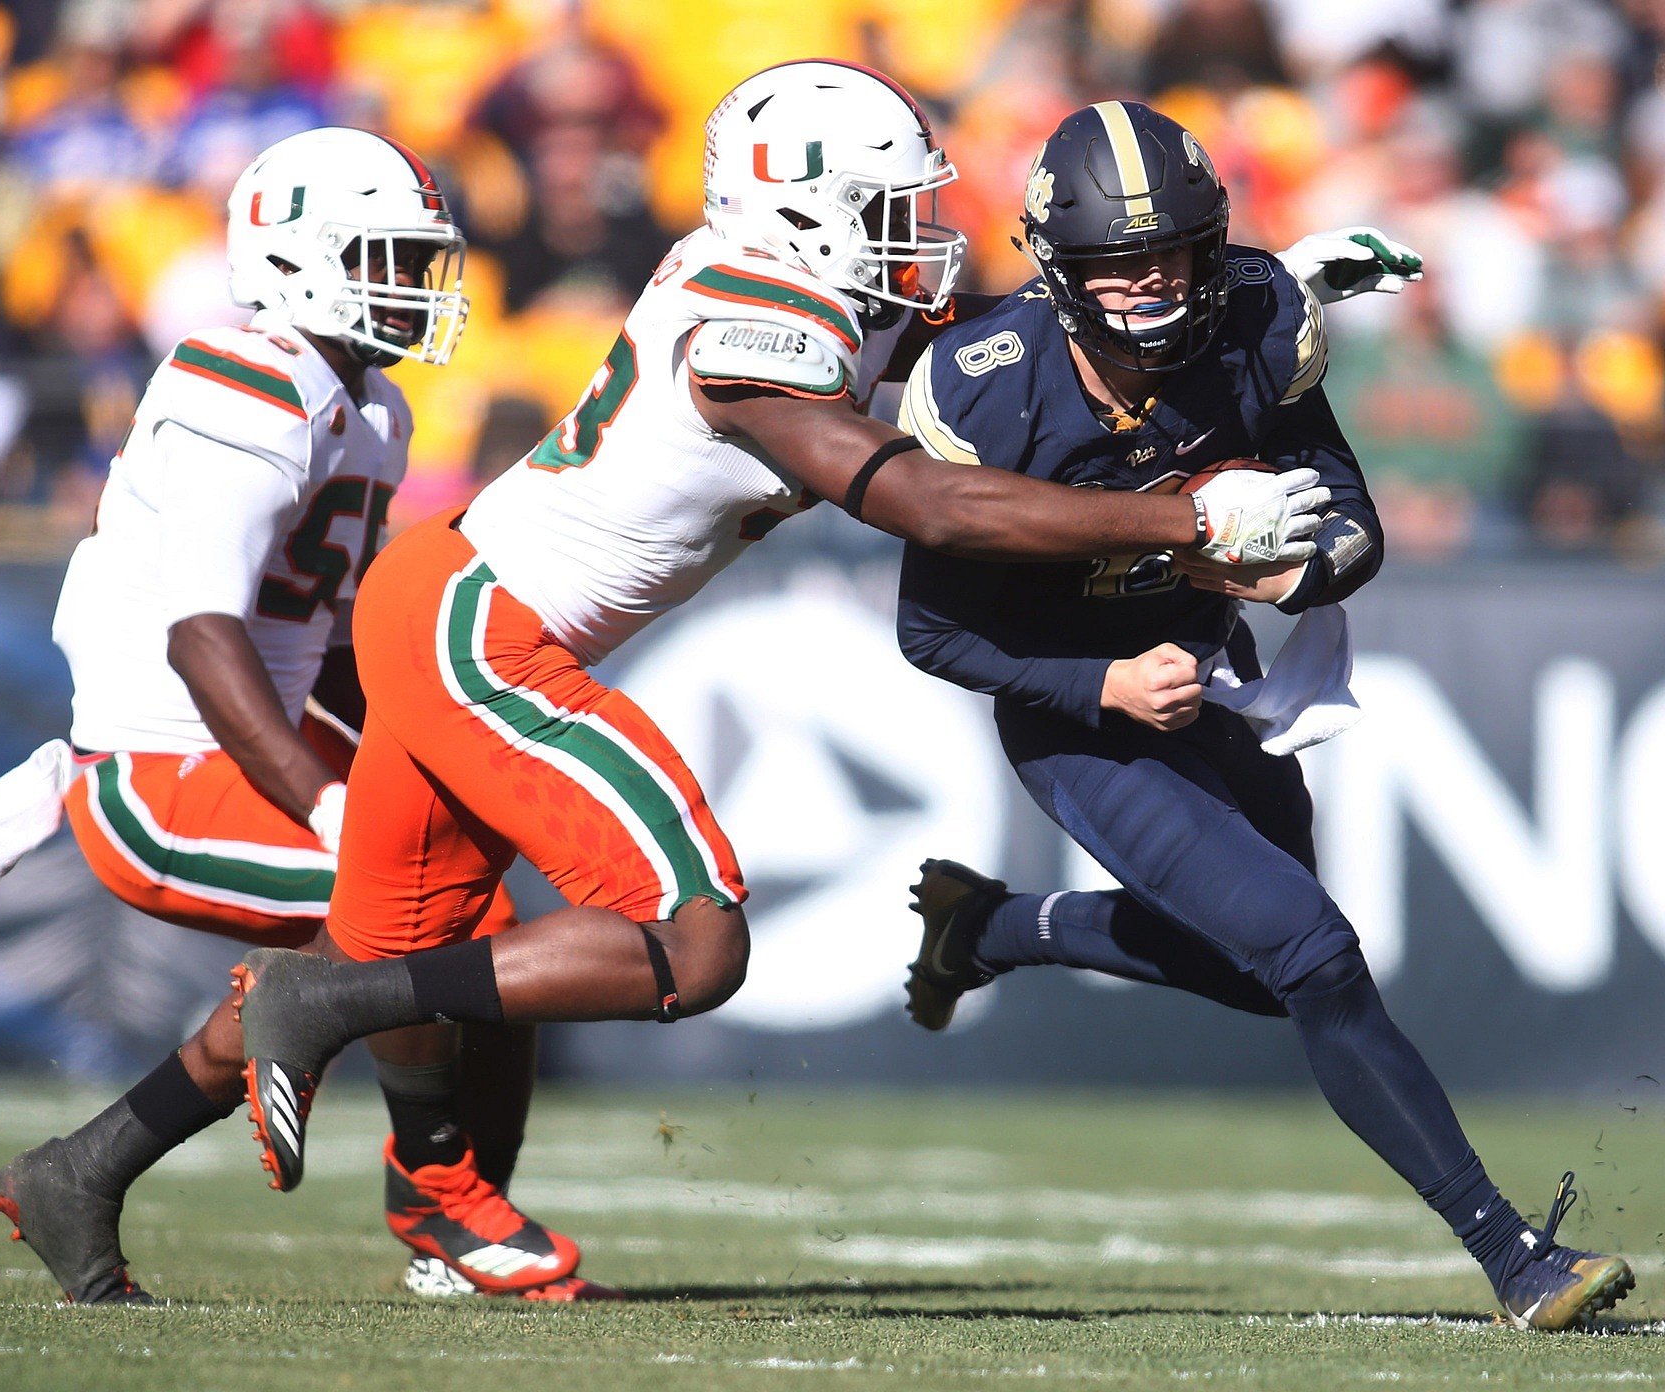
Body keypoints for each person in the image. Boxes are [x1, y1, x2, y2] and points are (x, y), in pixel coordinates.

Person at [212, 62, 1333, 1198]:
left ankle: (86, 1175)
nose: (922, 235)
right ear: (804, 210)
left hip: (459, 606)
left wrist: (1248, 299)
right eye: (894, 213)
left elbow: (1033, 343)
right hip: (477, 624)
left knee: (391, 937)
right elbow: (926, 503)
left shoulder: (795, 292)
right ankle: (325, 1013)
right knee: (695, 945)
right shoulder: (757, 327)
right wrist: (1182, 518)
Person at [891, 101, 1633, 1332]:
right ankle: (1513, 1258)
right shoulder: (992, 386)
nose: (1155, 289)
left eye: (1175, 255)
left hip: (1210, 670)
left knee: (1265, 974)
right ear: (1057, 270)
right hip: (1079, 704)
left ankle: (992, 929)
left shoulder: (1256, 318)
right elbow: (933, 631)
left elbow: (1350, 518)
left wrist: (1291, 566)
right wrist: (1100, 685)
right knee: (1313, 955)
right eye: (1121, 266)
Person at [0, 127, 594, 1305]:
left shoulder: (373, 407)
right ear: (300, 259)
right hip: (159, 769)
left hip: (261, 741)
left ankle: (86, 1177)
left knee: (475, 915)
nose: (413, 284)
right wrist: (331, 800)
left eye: (418, 257)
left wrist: (440, 743)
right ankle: (445, 1202)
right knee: (430, 928)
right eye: (387, 256)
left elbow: (334, 640)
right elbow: (201, 636)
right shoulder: (244, 377)